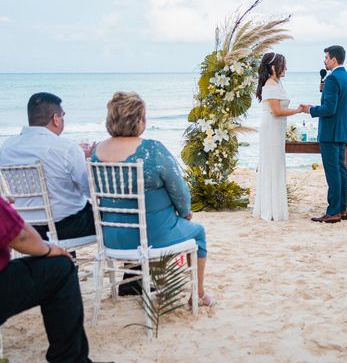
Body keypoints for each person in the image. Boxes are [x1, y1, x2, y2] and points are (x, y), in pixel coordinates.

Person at [91, 91, 213, 306]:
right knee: (198, 233)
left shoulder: (97, 152)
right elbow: (179, 189)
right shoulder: (152, 150)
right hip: (151, 236)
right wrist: (185, 213)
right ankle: (199, 295)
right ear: (139, 120)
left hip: (111, 237)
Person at [0, 196, 92, 362]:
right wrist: (48, 250)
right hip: (61, 225)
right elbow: (21, 237)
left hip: (38, 224)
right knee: (61, 268)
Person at [0, 92, 95, 240]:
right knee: (108, 215)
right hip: (66, 227)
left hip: (24, 227)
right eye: (63, 115)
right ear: (56, 119)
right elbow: (91, 191)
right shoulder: (66, 148)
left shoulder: (6, 148)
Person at [303, 45, 347, 223]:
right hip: (341, 131)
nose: (324, 61)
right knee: (340, 173)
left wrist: (310, 109)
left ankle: (333, 212)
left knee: (333, 175)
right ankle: (342, 209)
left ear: (333, 59)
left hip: (330, 133)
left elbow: (329, 109)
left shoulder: (332, 79)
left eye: (326, 57)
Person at [253, 52, 303, 221]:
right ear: (274, 67)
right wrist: (297, 110)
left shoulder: (276, 83)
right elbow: (276, 111)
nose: (286, 68)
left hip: (277, 129)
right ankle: (271, 209)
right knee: (272, 164)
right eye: (283, 65)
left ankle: (274, 206)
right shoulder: (270, 85)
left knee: (276, 163)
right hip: (271, 129)